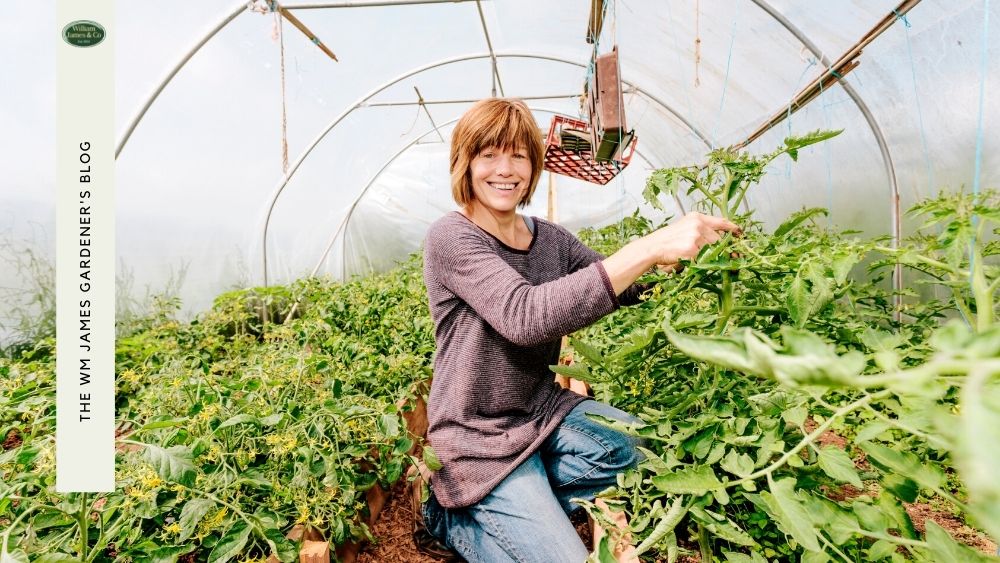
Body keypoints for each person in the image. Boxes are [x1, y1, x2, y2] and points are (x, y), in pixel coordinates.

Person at [419, 98, 739, 562]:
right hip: (477, 438)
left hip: (541, 413)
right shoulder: (451, 237)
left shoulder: (550, 239)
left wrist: (689, 261)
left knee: (648, 447)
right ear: (465, 165)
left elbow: (626, 286)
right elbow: (524, 316)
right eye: (488, 155)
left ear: (534, 165)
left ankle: (528, 498)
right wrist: (647, 246)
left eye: (519, 155)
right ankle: (455, 515)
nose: (504, 169)